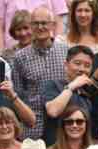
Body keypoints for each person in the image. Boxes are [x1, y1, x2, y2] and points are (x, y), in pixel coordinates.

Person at [12, 6, 69, 140]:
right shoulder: (20, 57)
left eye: (44, 23)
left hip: (63, 122)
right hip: (34, 126)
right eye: (35, 23)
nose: (40, 27)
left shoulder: (66, 51)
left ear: (53, 25)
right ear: (30, 26)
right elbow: (19, 93)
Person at [43, 45, 95, 146]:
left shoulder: (86, 95)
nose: (82, 69)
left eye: (87, 65)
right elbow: (53, 111)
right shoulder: (53, 85)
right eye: (77, 63)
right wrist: (72, 86)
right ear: (66, 64)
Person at [0, 0, 67, 50]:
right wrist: (1, 56)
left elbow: (58, 23)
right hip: (13, 49)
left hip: (46, 48)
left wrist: (56, 49)